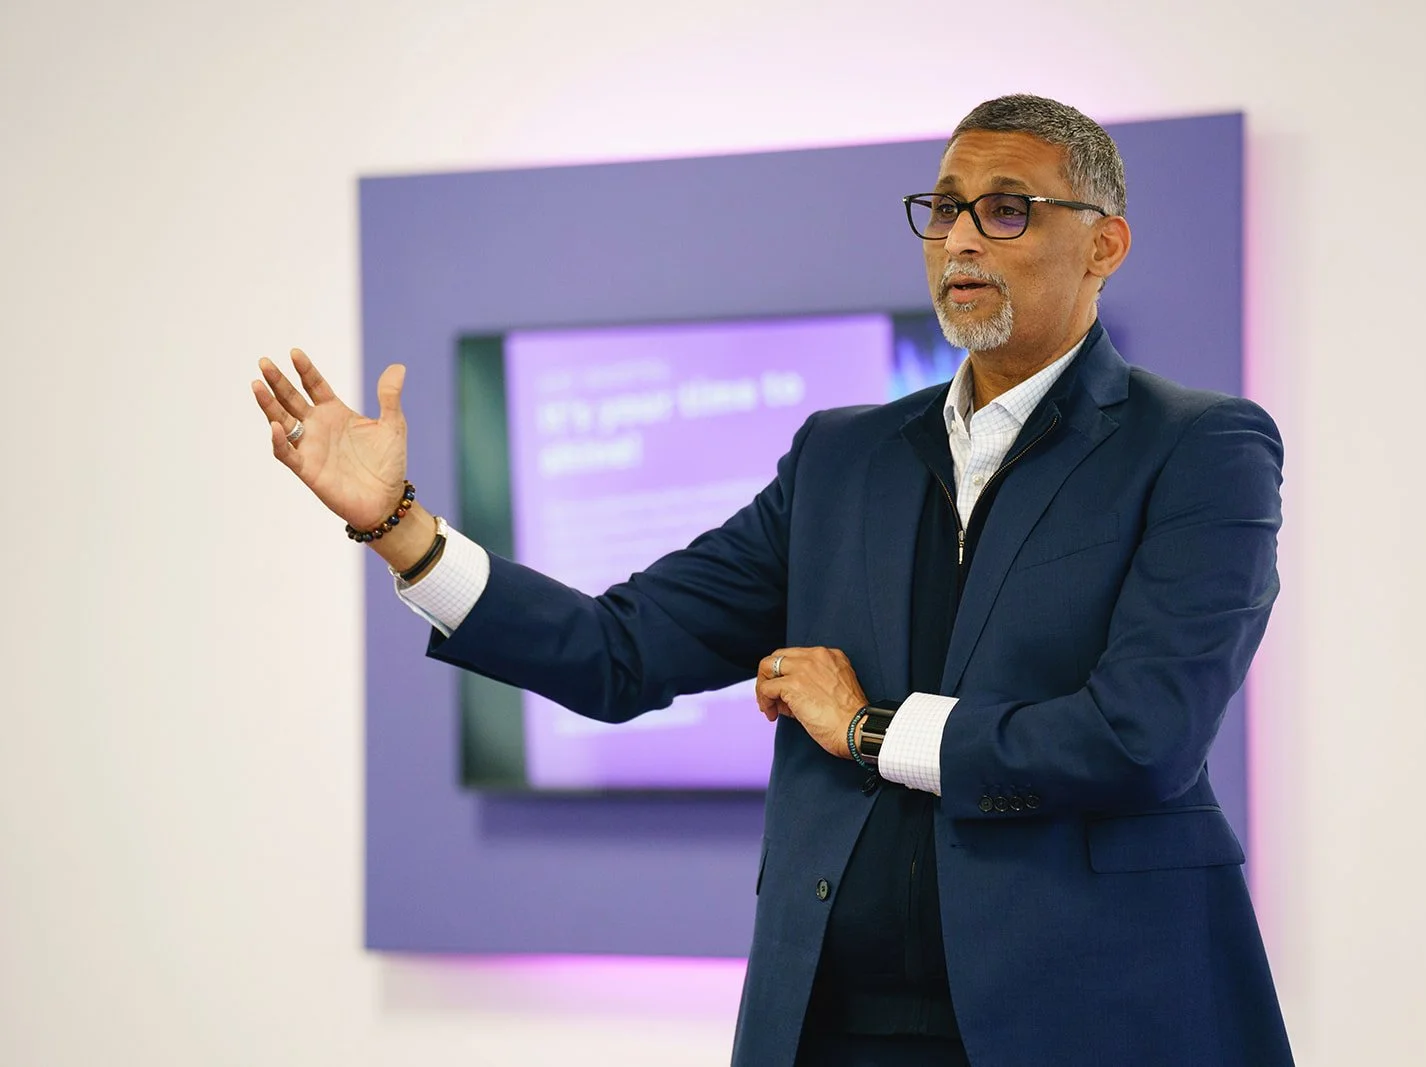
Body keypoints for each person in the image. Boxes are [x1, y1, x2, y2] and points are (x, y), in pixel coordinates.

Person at [252, 94, 1294, 1067]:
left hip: (1087, 1014)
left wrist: (869, 729)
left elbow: (1142, 734)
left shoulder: (1197, 446)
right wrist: (401, 530)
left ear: (1104, 243)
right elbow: (622, 650)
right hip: (833, 1019)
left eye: (1007, 211)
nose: (962, 239)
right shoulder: (842, 458)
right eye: (943, 210)